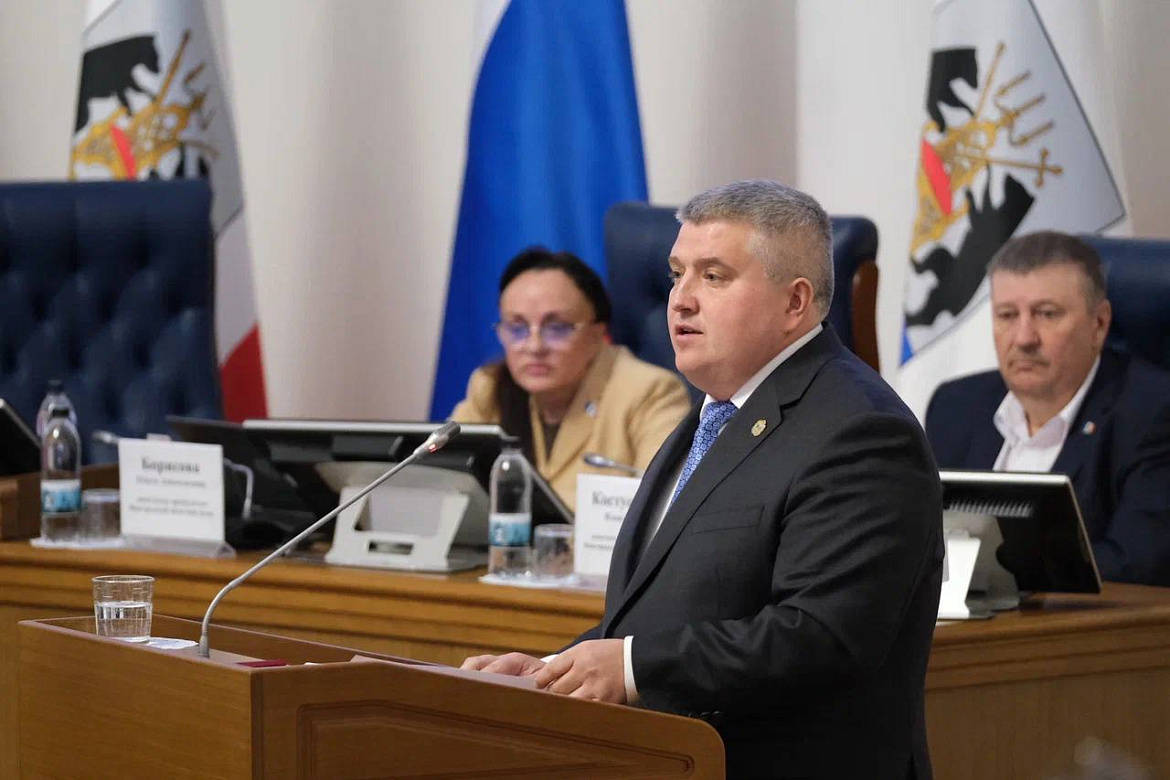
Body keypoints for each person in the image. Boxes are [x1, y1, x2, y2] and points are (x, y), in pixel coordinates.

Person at [463, 181, 944, 778]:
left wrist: (632, 668)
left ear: (795, 303)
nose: (680, 301)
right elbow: (663, 612)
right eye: (676, 275)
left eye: (713, 276)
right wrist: (548, 671)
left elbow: (822, 636)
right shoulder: (715, 412)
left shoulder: (860, 429)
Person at [926, 231, 1170, 586]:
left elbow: (1137, 566)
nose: (1024, 338)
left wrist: (997, 577)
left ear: (1099, 324)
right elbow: (919, 539)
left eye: (1046, 314)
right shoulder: (955, 406)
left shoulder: (1153, 412)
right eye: (1007, 315)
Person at [449, 247, 690, 511]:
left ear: (597, 334)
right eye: (517, 328)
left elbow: (661, 508)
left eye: (557, 328)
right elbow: (447, 483)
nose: (534, 347)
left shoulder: (650, 392)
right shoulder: (490, 388)